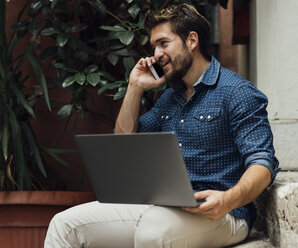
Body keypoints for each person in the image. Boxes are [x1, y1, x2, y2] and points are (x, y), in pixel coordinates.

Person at [44, 3, 279, 248]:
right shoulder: (169, 98)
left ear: (191, 40)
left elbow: (262, 163)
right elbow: (124, 143)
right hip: (165, 208)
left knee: (152, 231)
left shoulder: (237, 92)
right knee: (64, 225)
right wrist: (134, 87)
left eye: (163, 43)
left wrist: (228, 200)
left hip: (223, 214)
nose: (155, 54)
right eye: (154, 46)